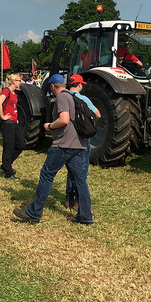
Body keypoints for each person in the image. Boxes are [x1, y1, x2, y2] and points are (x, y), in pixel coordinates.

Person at [13, 74, 93, 225]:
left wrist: (49, 126)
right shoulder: (72, 95)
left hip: (63, 144)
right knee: (80, 180)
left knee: (47, 175)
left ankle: (34, 213)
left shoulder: (62, 97)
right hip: (78, 144)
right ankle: (85, 216)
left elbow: (64, 119)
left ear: (51, 87)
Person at [65, 74, 101, 210]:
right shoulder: (84, 99)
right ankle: (78, 202)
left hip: (68, 138)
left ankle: (68, 198)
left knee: (71, 169)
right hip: (82, 138)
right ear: (80, 85)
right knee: (82, 169)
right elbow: (98, 114)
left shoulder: (64, 97)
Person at [0, 73, 25, 179]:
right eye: (18, 80)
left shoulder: (15, 92)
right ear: (13, 81)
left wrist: (15, 117)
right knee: (9, 147)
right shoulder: (6, 91)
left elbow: (13, 106)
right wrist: (3, 116)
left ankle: (6, 165)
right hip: (7, 124)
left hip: (13, 122)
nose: (20, 82)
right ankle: (8, 172)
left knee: (21, 144)